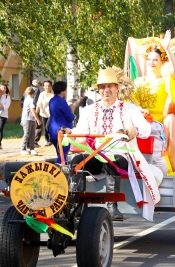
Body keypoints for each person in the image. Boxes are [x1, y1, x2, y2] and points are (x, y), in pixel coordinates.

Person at [62, 68, 152, 219]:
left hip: (121, 155)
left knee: (111, 161)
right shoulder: (89, 110)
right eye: (102, 87)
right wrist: (69, 133)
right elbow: (81, 133)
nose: (106, 90)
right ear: (98, 90)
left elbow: (146, 129)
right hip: (96, 154)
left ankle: (112, 206)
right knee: (77, 162)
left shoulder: (129, 109)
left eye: (109, 86)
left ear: (117, 88)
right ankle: (76, 205)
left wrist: (133, 130)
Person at [132, 30, 175, 173]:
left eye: (155, 59)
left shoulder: (164, 81)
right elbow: (132, 101)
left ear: (162, 62)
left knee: (170, 122)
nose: (152, 62)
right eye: (149, 59)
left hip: (159, 124)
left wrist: (167, 48)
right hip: (141, 122)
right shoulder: (138, 82)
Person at [48, 81, 78, 163]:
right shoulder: (61, 102)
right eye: (65, 89)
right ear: (62, 91)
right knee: (63, 154)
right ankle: (61, 171)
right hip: (62, 130)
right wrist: (72, 111)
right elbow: (69, 117)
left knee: (59, 152)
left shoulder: (52, 100)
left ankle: (60, 168)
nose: (66, 91)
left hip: (53, 129)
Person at [20, 87, 41, 155]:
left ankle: (32, 149)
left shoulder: (26, 99)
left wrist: (21, 119)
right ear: (34, 93)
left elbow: (23, 110)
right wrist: (38, 119)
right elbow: (33, 110)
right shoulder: (31, 100)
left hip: (29, 119)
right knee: (27, 134)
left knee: (31, 134)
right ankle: (23, 149)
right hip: (28, 119)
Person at [36, 80, 54, 146]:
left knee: (48, 126)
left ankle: (51, 140)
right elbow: (38, 104)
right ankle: (47, 140)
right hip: (43, 113)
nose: (47, 87)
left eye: (49, 86)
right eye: (46, 86)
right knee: (45, 127)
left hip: (51, 113)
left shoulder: (53, 95)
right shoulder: (42, 94)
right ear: (43, 86)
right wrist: (35, 114)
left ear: (51, 86)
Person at [0, 84, 12, 149]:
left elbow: (6, 107)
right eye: (2, 88)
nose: (3, 89)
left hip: (3, 115)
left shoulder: (7, 97)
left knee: (0, 129)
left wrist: (0, 105)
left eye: (5, 88)